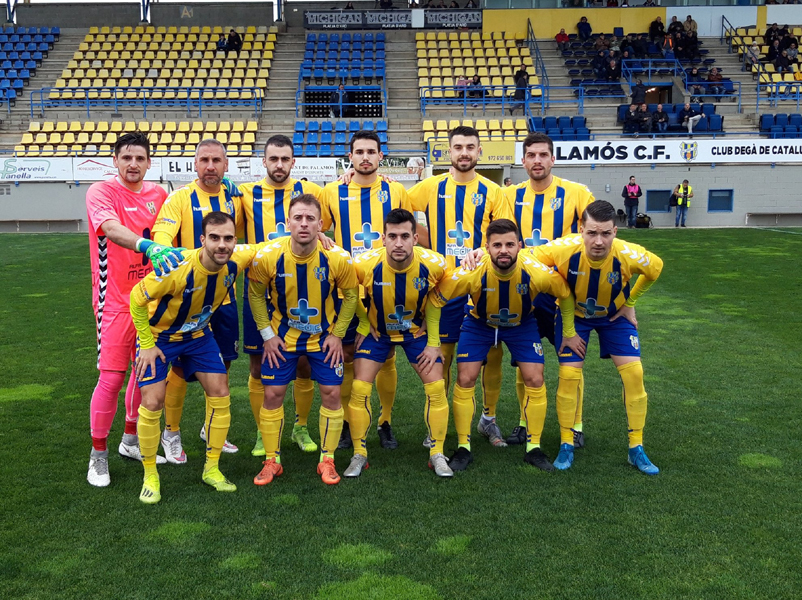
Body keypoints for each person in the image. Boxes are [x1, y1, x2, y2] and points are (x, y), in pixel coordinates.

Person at [130, 211, 259, 504]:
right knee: (152, 402)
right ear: (202, 240)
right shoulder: (176, 267)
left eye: (228, 239)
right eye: (214, 238)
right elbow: (136, 300)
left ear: (235, 241)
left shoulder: (238, 259)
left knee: (220, 392)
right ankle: (150, 474)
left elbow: (270, 246)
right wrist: (147, 344)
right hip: (160, 338)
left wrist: (321, 239)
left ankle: (211, 469)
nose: (222, 245)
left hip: (199, 336)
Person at [529, 200, 663, 475]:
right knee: (569, 376)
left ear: (616, 231)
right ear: (581, 230)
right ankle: (567, 443)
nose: (599, 241)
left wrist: (630, 300)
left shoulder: (629, 254)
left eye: (605, 233)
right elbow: (525, 258)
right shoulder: (564, 249)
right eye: (592, 233)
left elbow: (655, 268)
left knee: (634, 374)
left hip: (614, 318)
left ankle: (636, 448)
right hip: (574, 318)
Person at [430, 219, 573, 472]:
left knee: (535, 378)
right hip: (479, 323)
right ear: (486, 247)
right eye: (497, 245)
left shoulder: (535, 271)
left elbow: (565, 292)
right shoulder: (473, 270)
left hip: (521, 324)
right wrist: (431, 337)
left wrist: (570, 332)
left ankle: (534, 448)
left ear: (520, 246)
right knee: (465, 378)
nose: (503, 250)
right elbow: (436, 297)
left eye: (509, 244)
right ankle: (464, 447)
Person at [84, 132, 178, 487]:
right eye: (126, 158)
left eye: (140, 158)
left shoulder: (159, 194)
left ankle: (129, 440)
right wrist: (146, 245)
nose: (133, 164)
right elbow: (109, 228)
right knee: (111, 377)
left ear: (149, 162)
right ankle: (98, 456)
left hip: (150, 301)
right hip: (115, 303)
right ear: (116, 161)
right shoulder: (102, 192)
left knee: (146, 374)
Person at [406, 125, 508, 447]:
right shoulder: (430, 187)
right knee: (443, 357)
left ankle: (488, 419)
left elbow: (504, 232)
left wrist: (484, 249)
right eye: (458, 147)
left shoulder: (494, 192)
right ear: (448, 152)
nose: (464, 152)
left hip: (483, 286)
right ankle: (438, 424)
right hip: (443, 287)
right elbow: (398, 211)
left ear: (479, 152)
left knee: (492, 355)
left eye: (470, 147)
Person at [247, 195, 358, 487]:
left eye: (310, 218)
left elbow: (351, 296)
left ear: (321, 225)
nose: (304, 224)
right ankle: (272, 460)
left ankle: (327, 458)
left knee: (332, 395)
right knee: (272, 395)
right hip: (281, 339)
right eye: (298, 218)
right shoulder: (268, 256)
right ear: (287, 224)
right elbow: (255, 295)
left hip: (323, 339)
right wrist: (267, 335)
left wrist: (338, 334)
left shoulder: (338, 257)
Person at [495, 132, 594, 447]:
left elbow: (597, 236)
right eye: (531, 155)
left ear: (553, 159)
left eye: (542, 155)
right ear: (522, 161)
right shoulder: (508, 196)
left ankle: (575, 426)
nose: (537, 161)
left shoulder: (577, 193)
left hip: (564, 292)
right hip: (523, 292)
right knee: (525, 363)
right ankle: (525, 422)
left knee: (571, 360)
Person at [151, 139, 243, 462]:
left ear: (226, 165)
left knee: (223, 364)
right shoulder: (180, 198)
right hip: (188, 301)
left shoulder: (234, 198)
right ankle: (171, 433)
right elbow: (162, 236)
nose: (210, 166)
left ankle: (210, 427)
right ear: (195, 164)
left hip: (225, 297)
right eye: (204, 159)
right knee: (179, 369)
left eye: (216, 160)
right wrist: (168, 254)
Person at [320, 131, 412, 451]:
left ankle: (385, 421)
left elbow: (410, 232)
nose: (365, 158)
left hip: (385, 285)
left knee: (386, 356)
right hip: (346, 289)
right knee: (345, 357)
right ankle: (347, 422)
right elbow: (317, 229)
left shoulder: (396, 190)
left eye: (371, 152)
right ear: (350, 157)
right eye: (359, 152)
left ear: (380, 156)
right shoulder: (333, 191)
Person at [344, 209, 452, 478]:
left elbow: (441, 295)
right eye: (392, 236)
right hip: (378, 333)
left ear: (416, 238)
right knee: (359, 387)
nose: (399, 243)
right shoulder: (364, 265)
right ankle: (359, 454)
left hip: (416, 333)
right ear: (383, 238)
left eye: (405, 236)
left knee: (436, 386)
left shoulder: (436, 264)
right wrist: (364, 323)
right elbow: (349, 291)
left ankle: (437, 452)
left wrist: (433, 339)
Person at [238, 135, 326, 457]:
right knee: (259, 367)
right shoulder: (245, 194)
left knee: (303, 364)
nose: (279, 165)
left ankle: (300, 427)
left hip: (301, 293)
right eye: (272, 159)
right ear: (263, 161)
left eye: (284, 159)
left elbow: (321, 226)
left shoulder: (309, 193)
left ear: (293, 161)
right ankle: (265, 432)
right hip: (259, 290)